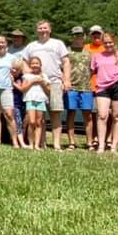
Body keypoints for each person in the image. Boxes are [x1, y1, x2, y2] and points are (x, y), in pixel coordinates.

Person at [24, 20, 71, 151]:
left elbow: (66, 62)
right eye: (40, 28)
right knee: (39, 117)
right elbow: (24, 62)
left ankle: (56, 144)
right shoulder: (31, 46)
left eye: (45, 28)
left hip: (55, 82)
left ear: (50, 30)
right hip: (36, 85)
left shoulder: (58, 43)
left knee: (55, 114)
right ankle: (41, 143)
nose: (43, 30)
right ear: (36, 30)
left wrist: (66, 80)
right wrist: (30, 76)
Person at [90, 32, 118, 153]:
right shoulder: (97, 56)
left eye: (110, 42)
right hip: (102, 87)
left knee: (117, 116)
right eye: (105, 42)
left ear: (115, 42)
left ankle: (114, 146)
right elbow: (91, 72)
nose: (108, 45)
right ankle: (101, 145)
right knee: (102, 115)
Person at [65, 26, 95, 151]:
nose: (78, 37)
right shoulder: (67, 51)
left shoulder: (89, 52)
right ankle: (72, 142)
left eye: (80, 35)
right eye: (75, 35)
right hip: (71, 87)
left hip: (86, 88)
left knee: (87, 115)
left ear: (84, 36)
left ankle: (89, 142)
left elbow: (93, 69)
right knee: (71, 113)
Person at [21, 57, 51, 150]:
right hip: (30, 99)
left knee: (39, 122)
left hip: (41, 100)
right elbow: (23, 89)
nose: (34, 65)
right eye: (32, 63)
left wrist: (42, 83)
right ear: (30, 65)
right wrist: (32, 82)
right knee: (31, 121)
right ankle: (31, 143)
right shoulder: (27, 76)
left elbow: (49, 91)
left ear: (40, 65)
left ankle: (37, 145)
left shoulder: (44, 76)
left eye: (37, 63)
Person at [10, 62, 29, 148]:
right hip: (14, 103)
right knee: (18, 123)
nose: (14, 70)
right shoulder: (8, 77)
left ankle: (23, 140)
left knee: (24, 123)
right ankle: (20, 143)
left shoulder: (23, 77)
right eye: (12, 68)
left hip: (23, 103)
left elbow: (23, 89)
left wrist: (13, 83)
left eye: (16, 69)